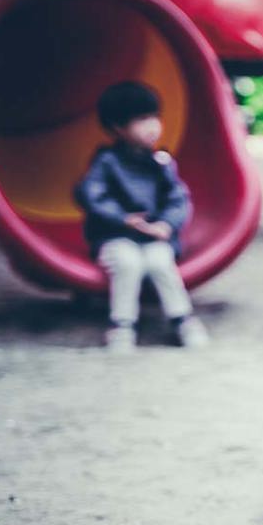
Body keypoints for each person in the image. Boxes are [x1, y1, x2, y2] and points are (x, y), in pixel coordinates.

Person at [74, 82, 210, 353]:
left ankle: (182, 318)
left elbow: (178, 198)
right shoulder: (107, 162)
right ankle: (122, 324)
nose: (152, 127)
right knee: (127, 262)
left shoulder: (161, 162)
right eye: (142, 120)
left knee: (161, 261)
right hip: (114, 235)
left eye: (155, 118)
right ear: (118, 128)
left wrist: (166, 224)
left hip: (152, 236)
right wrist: (122, 218)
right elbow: (90, 194)